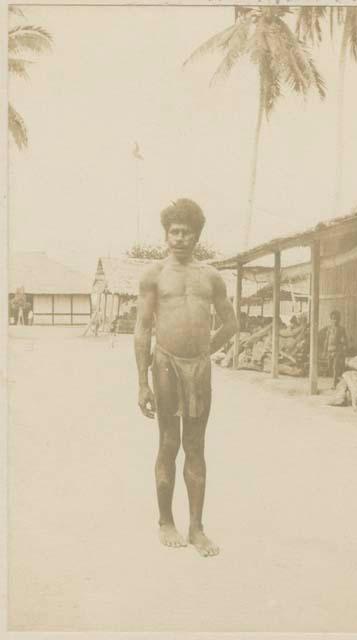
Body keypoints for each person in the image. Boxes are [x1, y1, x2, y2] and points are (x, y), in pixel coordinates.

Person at [134, 198, 237, 557]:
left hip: (199, 367)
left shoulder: (210, 276)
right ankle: (166, 521)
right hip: (164, 365)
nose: (178, 238)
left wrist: (207, 349)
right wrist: (142, 382)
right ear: (166, 235)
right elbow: (143, 329)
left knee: (196, 446)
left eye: (186, 233)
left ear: (197, 237)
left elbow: (232, 322)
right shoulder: (154, 275)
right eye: (173, 232)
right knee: (168, 443)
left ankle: (196, 528)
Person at [322, 310, 348, 389]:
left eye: (336, 319)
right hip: (330, 350)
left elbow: (345, 340)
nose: (334, 320)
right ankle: (336, 379)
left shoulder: (341, 329)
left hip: (337, 350)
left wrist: (344, 346)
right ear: (331, 319)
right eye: (333, 318)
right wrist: (324, 351)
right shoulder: (329, 328)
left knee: (335, 367)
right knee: (329, 367)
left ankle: (334, 383)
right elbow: (326, 340)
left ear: (339, 320)